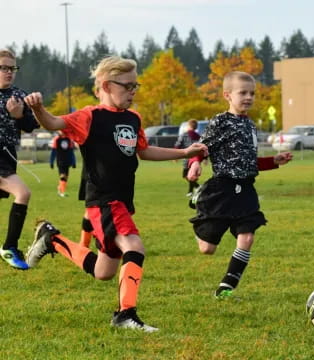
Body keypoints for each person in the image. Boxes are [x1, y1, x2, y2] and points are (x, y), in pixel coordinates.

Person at [23, 55, 208, 332]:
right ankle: (125, 315)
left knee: (103, 272)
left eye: (136, 86)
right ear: (107, 85)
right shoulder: (89, 116)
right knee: (134, 247)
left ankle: (52, 238)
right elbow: (52, 123)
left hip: (122, 200)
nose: (133, 92)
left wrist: (184, 152)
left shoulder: (133, 118)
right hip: (104, 199)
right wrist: (38, 108)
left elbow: (143, 151)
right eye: (127, 86)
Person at [187, 71, 293, 299]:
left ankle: (228, 285)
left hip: (245, 189)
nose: (248, 97)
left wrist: (273, 161)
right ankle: (199, 204)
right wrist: (195, 164)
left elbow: (248, 162)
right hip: (221, 189)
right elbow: (201, 147)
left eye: (252, 93)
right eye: (242, 92)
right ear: (228, 95)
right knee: (207, 249)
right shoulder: (221, 122)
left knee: (247, 237)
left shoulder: (251, 126)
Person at [0, 49, 39, 270]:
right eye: (4, 67)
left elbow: (32, 126)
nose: (9, 72)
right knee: (23, 193)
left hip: (8, 156)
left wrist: (19, 115)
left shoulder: (19, 95)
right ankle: (9, 247)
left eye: (12, 68)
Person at [174, 119, 201, 197]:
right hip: (196, 158)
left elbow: (178, 144)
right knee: (192, 175)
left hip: (187, 158)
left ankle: (197, 187)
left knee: (186, 175)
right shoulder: (198, 136)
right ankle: (192, 190)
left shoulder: (184, 134)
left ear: (189, 126)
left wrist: (175, 155)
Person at [50, 130, 76, 197]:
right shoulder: (57, 139)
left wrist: (73, 162)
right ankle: (62, 192)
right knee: (63, 176)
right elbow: (53, 152)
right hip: (60, 161)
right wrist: (51, 162)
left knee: (65, 177)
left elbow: (71, 152)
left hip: (67, 161)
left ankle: (60, 190)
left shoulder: (69, 139)